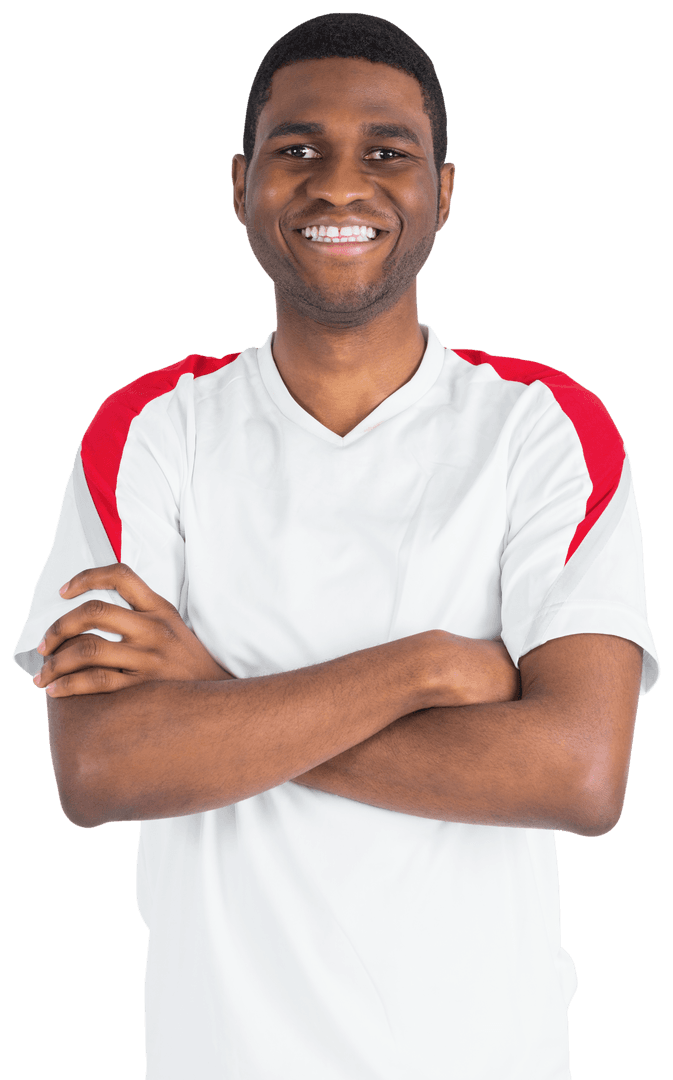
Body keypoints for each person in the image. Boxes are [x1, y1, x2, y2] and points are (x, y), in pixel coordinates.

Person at [13, 12, 659, 1080]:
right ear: (241, 185)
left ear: (442, 191)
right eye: (298, 149)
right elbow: (102, 766)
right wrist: (425, 669)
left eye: (387, 152)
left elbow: (578, 774)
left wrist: (213, 699)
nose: (339, 185)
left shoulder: (544, 429)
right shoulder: (152, 432)